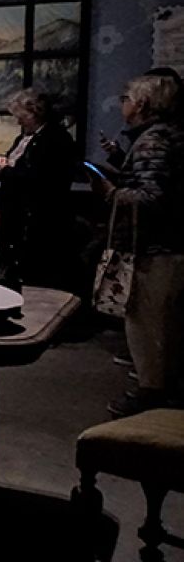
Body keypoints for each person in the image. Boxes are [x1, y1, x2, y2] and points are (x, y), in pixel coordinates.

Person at [91, 73, 184, 416]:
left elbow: (152, 198)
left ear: (142, 104)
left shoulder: (154, 141)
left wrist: (111, 193)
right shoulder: (170, 135)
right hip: (170, 245)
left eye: (126, 99)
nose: (123, 106)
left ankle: (153, 396)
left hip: (156, 248)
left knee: (150, 324)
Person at [0, 88, 76, 289]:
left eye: (22, 117)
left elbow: (43, 178)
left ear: (36, 113)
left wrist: (6, 171)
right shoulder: (26, 137)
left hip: (40, 216)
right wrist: (4, 163)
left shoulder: (55, 139)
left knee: (35, 275)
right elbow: (21, 166)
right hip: (17, 213)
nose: (19, 122)